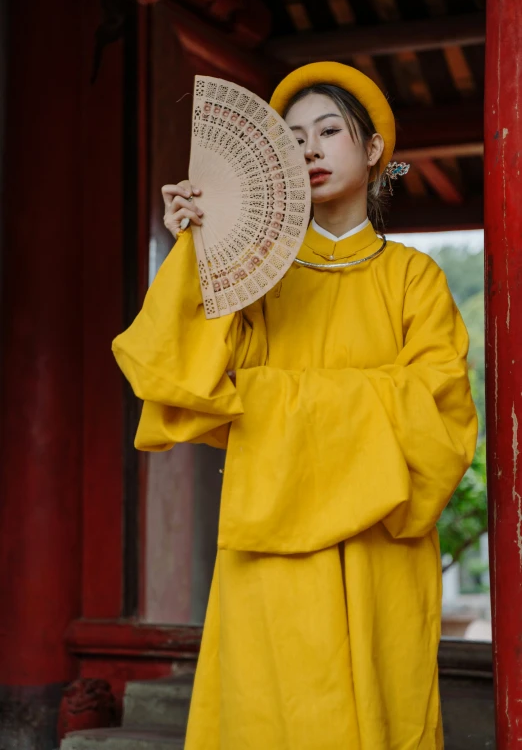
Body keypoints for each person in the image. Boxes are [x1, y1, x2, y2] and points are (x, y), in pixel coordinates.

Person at [112, 62, 478, 750]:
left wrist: (268, 397)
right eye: (292, 137)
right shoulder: (255, 279)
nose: (307, 148)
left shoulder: (415, 280)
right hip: (270, 556)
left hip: (379, 555)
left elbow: (443, 420)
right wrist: (200, 248)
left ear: (373, 150)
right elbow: (177, 374)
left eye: (329, 130)